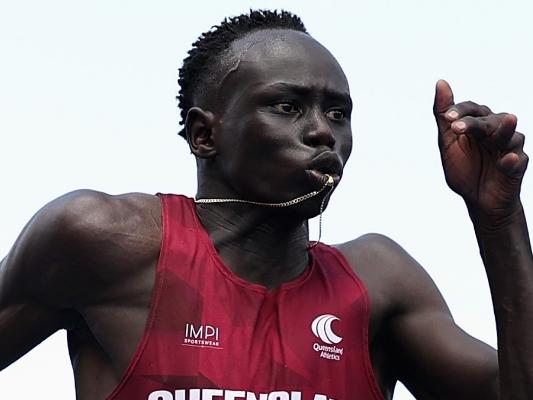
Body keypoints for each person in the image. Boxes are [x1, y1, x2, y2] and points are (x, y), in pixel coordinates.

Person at [0, 9, 531, 400]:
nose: (323, 131)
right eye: (287, 106)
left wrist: (499, 218)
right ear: (204, 134)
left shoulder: (376, 284)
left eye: (339, 113)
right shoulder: (100, 240)